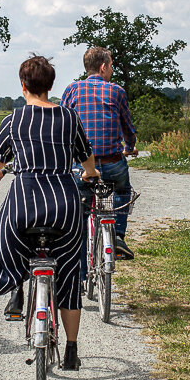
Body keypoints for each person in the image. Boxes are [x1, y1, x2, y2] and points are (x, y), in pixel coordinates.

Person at [0, 55, 100, 371]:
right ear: (51, 85)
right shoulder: (69, 118)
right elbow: (87, 160)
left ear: (23, 84)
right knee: (69, 275)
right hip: (65, 206)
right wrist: (89, 175)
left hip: (25, 206)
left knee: (3, 230)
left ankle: (15, 286)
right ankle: (71, 350)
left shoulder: (13, 120)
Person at [60, 46, 138, 260]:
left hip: (83, 166)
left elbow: (62, 124)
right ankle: (119, 235)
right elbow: (128, 128)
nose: (111, 69)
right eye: (111, 65)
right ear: (103, 67)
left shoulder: (72, 90)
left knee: (82, 209)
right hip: (113, 162)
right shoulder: (116, 91)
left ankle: (82, 271)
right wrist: (129, 147)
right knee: (123, 192)